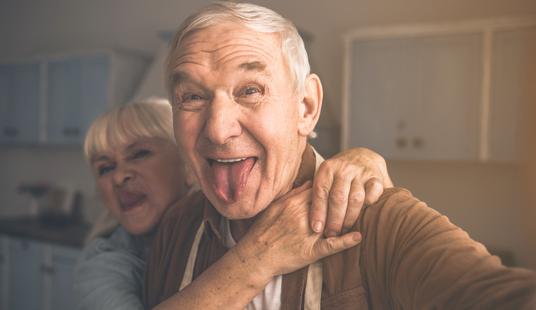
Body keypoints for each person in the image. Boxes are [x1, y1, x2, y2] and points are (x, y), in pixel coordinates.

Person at [144, 2, 536, 309]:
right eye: (192, 97)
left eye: (250, 90)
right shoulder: (179, 224)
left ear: (307, 107)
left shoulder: (379, 219)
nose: (217, 128)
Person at [74, 98, 394, 309]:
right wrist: (261, 256)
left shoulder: (225, 222)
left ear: (189, 161)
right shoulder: (103, 265)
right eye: (105, 168)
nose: (119, 177)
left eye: (139, 154)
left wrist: (363, 160)